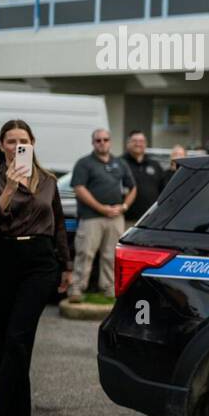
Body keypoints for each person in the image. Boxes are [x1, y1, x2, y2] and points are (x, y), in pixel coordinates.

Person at [0, 120, 72, 416]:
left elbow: (58, 224)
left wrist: (66, 266)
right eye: (10, 140)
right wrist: (8, 187)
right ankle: (18, 415)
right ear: (1, 144)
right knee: (1, 340)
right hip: (3, 258)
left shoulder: (47, 181)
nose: (16, 145)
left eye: (23, 140)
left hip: (40, 263)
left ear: (32, 143)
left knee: (18, 338)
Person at [67, 128, 135, 302]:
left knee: (111, 255)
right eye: (98, 140)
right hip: (91, 217)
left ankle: (109, 289)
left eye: (105, 139)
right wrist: (101, 208)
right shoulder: (84, 163)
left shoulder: (119, 163)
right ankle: (76, 289)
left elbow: (132, 187)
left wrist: (124, 206)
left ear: (110, 142)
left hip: (116, 217)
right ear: (93, 143)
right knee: (85, 253)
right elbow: (79, 189)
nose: (102, 143)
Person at [122, 130, 165, 227]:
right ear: (128, 143)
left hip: (151, 220)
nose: (138, 144)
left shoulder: (155, 165)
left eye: (141, 141)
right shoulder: (120, 163)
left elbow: (164, 190)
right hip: (126, 220)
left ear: (145, 144)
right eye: (134, 141)